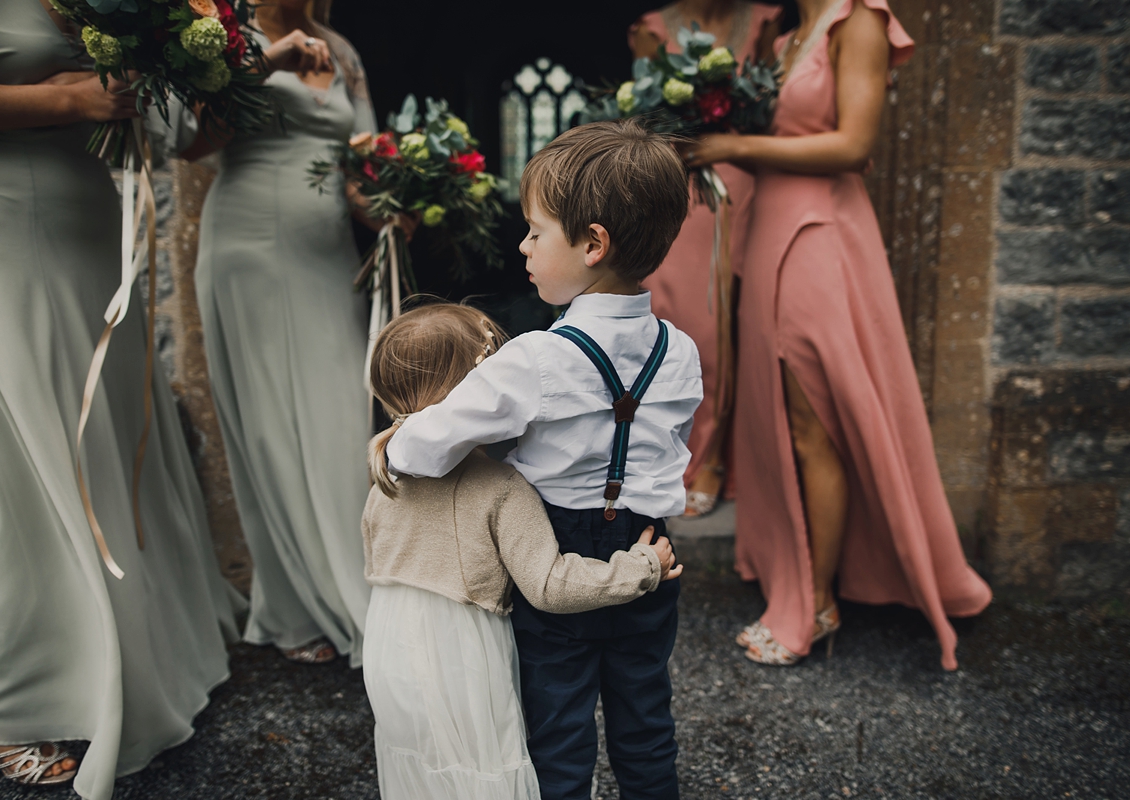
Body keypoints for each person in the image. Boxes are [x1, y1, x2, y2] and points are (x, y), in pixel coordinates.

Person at [0, 0, 244, 795]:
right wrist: (76, 97)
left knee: (116, 457)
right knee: (45, 473)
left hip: (91, 220)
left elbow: (169, 121)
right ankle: (17, 704)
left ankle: (144, 664)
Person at [387, 120, 701, 800]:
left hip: (552, 555)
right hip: (651, 549)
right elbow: (668, 446)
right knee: (645, 719)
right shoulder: (681, 349)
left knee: (555, 728)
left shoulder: (533, 358)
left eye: (535, 231)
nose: (523, 247)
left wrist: (394, 443)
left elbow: (432, 445)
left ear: (592, 244)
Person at [683, 0, 992, 668]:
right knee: (773, 421)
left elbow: (854, 144)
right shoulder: (790, 34)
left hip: (818, 234)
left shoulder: (860, 21)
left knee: (812, 421)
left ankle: (817, 603)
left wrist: (732, 146)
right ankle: (792, 570)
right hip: (768, 226)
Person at [361, 302, 682, 799]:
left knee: (431, 758)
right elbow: (549, 584)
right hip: (468, 650)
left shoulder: (385, 478)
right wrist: (640, 567)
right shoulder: (501, 487)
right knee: (507, 754)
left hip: (392, 648)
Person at [179, 0, 411, 666]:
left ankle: (357, 587)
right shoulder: (224, 35)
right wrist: (260, 64)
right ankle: (298, 607)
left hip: (329, 254)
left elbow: (356, 173)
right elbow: (192, 141)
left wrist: (399, 206)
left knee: (341, 419)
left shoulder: (342, 49)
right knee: (271, 424)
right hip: (248, 246)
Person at [628, 0, 782, 517]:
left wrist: (729, 139)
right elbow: (644, 116)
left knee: (716, 328)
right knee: (662, 316)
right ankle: (654, 454)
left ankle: (711, 459)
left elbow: (772, 113)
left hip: (734, 183)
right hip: (673, 181)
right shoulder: (650, 30)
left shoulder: (764, 21)